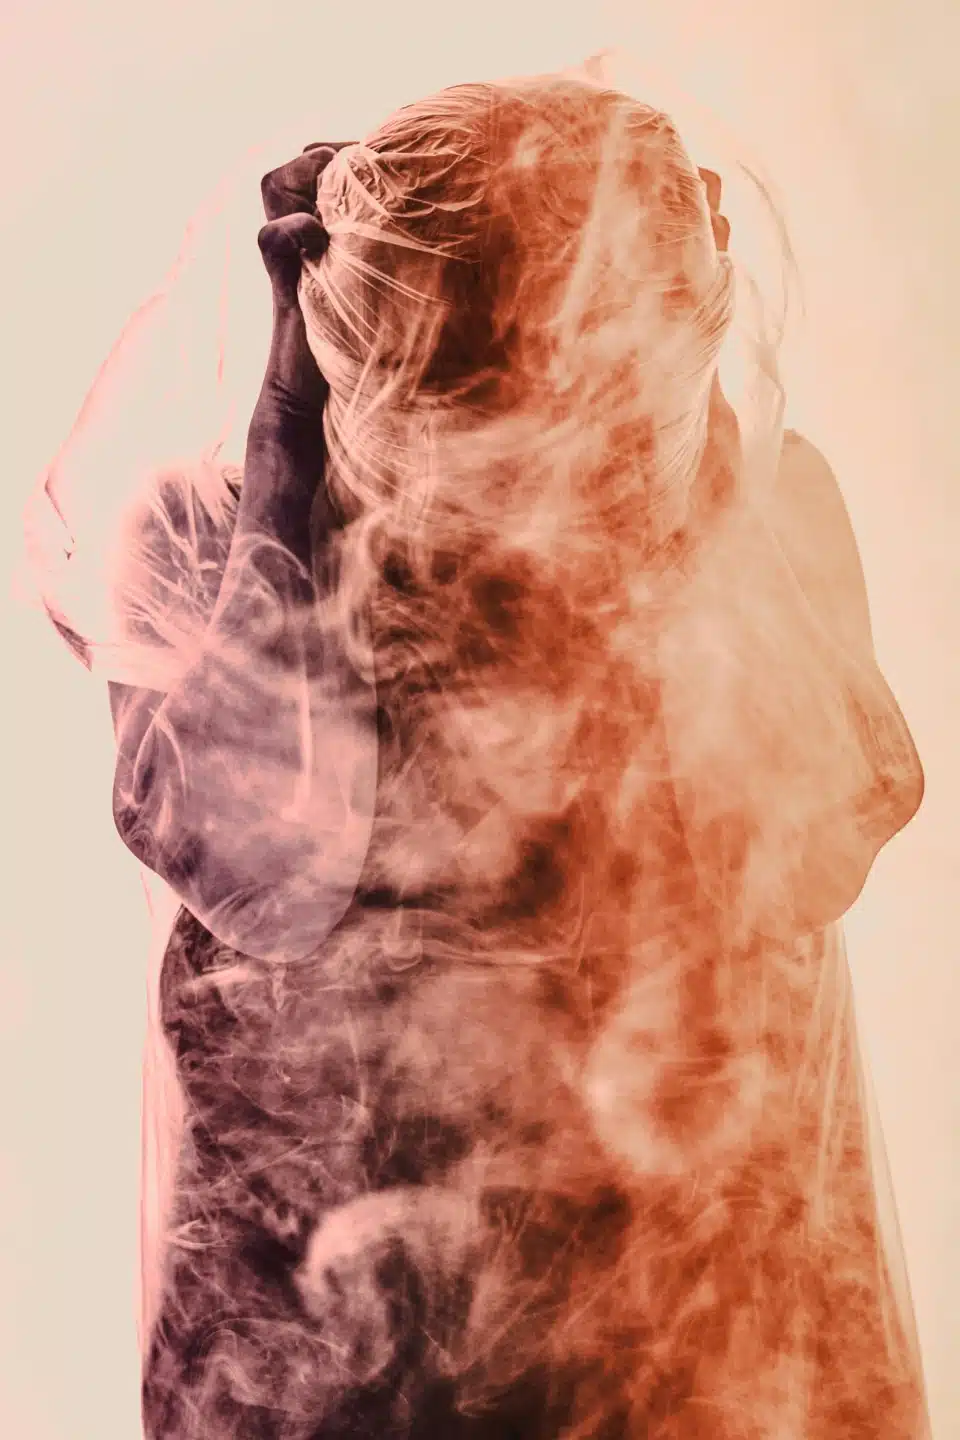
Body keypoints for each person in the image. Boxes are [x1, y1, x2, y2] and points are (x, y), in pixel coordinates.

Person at [25, 72, 930, 1439]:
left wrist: (689, 462)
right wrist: (283, 441)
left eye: (593, 422)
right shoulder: (209, 539)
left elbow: (805, 845)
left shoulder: (753, 510)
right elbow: (258, 870)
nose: (538, 504)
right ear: (360, 363)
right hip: (316, 1327)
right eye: (484, 433)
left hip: (700, 1313)